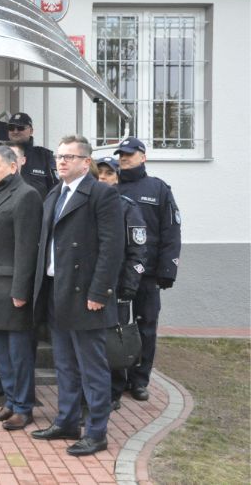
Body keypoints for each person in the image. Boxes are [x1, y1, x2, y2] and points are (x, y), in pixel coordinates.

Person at [31, 135, 123, 457]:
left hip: (87, 295)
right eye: (59, 156)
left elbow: (112, 249)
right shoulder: (55, 193)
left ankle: (97, 432)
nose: (62, 162)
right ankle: (67, 421)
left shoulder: (101, 194)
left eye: (69, 157)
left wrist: (99, 291)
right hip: (58, 290)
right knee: (65, 364)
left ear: (87, 162)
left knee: (92, 366)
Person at [0, 146, 43, 430]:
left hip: (11, 290)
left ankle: (24, 408)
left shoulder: (26, 196)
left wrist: (20, 291)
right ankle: (11, 402)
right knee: (2, 354)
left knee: (19, 354)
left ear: (13, 167)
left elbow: (26, 249)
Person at [114, 137, 181, 402]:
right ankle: (116, 380)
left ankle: (139, 380)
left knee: (146, 326)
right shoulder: (111, 186)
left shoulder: (158, 189)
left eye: (129, 154)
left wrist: (168, 270)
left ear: (143, 157)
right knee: (117, 327)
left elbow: (171, 231)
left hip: (148, 272)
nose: (124, 159)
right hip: (118, 272)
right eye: (121, 155)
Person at [96, 156, 148, 410]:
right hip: (92, 284)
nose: (103, 177)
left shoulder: (127, 207)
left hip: (117, 287)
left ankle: (115, 392)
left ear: (118, 177)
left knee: (115, 339)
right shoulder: (88, 203)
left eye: (108, 173)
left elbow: (137, 252)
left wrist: (129, 286)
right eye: (99, 173)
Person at [4, 113, 58, 199]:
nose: (15, 131)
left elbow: (56, 189)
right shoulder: (0, 155)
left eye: (20, 128)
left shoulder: (44, 156)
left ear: (31, 131)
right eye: (11, 128)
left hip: (38, 210)